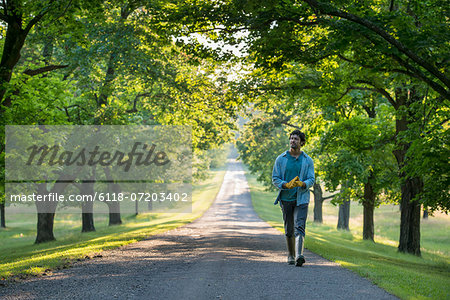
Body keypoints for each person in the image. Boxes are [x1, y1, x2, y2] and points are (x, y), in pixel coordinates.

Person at [272, 129, 315, 266]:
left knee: (300, 226)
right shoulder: (281, 159)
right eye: (291, 138)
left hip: (301, 199)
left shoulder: (307, 160)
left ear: (302, 142)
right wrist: (285, 185)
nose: (292, 141)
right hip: (286, 199)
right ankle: (291, 255)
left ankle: (299, 256)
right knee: (289, 229)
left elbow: (311, 179)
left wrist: (303, 184)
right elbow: (275, 178)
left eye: (296, 139)